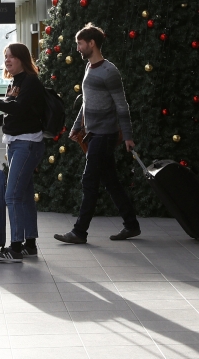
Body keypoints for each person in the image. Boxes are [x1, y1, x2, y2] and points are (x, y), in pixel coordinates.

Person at [54, 24, 140, 244]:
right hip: (93, 133)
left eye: (80, 44)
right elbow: (87, 101)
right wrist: (76, 126)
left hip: (105, 135)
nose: (78, 48)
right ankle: (131, 225)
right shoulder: (89, 68)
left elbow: (122, 106)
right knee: (110, 181)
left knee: (89, 180)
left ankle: (79, 232)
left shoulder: (109, 71)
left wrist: (128, 137)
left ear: (91, 44)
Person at [0, 43, 45, 263]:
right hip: (16, 142)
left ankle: (15, 248)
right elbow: (11, 113)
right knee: (24, 195)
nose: (7, 60)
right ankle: (30, 245)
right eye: (6, 56)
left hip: (27, 143)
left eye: (12, 57)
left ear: (23, 59)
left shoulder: (31, 82)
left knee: (12, 195)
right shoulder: (15, 82)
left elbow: (17, 108)